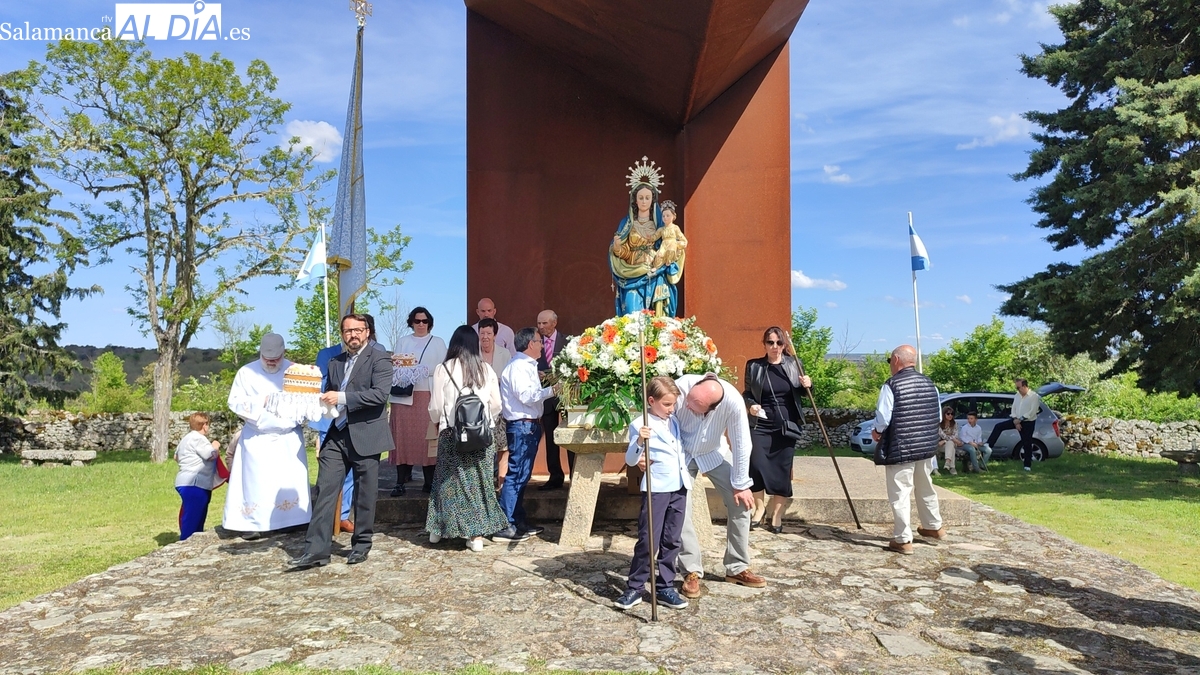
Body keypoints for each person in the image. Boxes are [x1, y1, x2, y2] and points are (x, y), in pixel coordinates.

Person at [290, 313, 394, 569]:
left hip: (366, 435)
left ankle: (361, 545)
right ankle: (316, 550)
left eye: (358, 330)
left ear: (367, 332)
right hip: (336, 434)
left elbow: (380, 395)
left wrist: (342, 397)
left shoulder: (380, 358)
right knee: (325, 490)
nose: (353, 335)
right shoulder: (335, 362)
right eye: (348, 331)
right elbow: (327, 396)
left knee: (364, 493)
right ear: (342, 335)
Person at [671, 373, 766, 599]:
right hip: (680, 455)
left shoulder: (732, 401)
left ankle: (737, 567)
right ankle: (691, 571)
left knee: (742, 502)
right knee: (680, 508)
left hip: (712, 454)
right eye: (689, 401)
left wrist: (741, 484)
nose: (687, 406)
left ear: (711, 409)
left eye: (695, 407)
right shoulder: (681, 387)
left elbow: (742, 442)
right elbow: (659, 421)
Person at [426, 326, 511, 552]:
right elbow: (496, 405)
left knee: (446, 482)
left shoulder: (443, 369)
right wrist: (483, 422)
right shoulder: (486, 369)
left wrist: (439, 421)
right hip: (481, 436)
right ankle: (476, 536)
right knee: (479, 483)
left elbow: (435, 407)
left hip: (451, 433)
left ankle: (438, 530)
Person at [614, 376, 692, 611]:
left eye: (673, 404)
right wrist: (640, 441)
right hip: (657, 488)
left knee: (672, 539)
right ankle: (635, 587)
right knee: (649, 540)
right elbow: (631, 459)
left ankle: (665, 586)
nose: (671, 409)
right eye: (666, 404)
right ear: (651, 401)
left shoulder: (673, 421)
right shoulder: (641, 424)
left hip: (679, 486)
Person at [224, 333, 310, 537]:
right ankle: (253, 524)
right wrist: (260, 402)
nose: (271, 362)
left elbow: (307, 399)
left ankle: (291, 519)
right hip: (258, 438)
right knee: (257, 482)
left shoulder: (296, 371)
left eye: (276, 358)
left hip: (287, 438)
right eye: (267, 358)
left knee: (287, 481)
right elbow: (235, 402)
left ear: (284, 352)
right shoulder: (246, 373)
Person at [870, 345, 945, 555]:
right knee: (926, 486)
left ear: (896, 359)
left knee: (900, 492)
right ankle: (933, 526)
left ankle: (903, 539)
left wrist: (877, 431)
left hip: (901, 446)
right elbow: (938, 416)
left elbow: (883, 417)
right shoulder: (930, 384)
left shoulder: (892, 385)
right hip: (926, 446)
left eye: (889, 361)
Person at [742, 327, 812, 534]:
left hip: (786, 425)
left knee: (782, 469)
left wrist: (808, 385)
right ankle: (759, 508)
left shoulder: (794, 364)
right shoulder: (754, 366)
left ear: (784, 345)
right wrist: (751, 405)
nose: (775, 347)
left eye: (779, 343)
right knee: (756, 465)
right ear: (764, 344)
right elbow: (747, 393)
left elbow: (804, 393)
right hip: (760, 423)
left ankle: (777, 514)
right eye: (770, 342)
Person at [495, 327, 560, 542]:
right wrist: (553, 390)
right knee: (516, 475)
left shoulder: (527, 365)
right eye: (539, 341)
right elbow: (526, 396)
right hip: (522, 425)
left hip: (529, 425)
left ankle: (517, 520)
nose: (542, 345)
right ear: (530, 344)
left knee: (523, 475)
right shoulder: (518, 367)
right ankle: (505, 524)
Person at [609, 158, 684, 317]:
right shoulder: (627, 225)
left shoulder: (660, 225)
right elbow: (625, 253)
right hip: (631, 274)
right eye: (641, 198)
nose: (644, 201)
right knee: (632, 314)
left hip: (654, 272)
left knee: (657, 317)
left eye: (647, 198)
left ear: (653, 200)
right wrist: (617, 248)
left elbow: (673, 242)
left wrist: (672, 250)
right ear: (635, 200)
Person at [388, 307, 447, 496]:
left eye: (424, 321)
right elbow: (396, 365)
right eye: (417, 321)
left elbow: (444, 368)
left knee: (427, 438)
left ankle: (429, 482)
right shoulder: (403, 341)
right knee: (402, 438)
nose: (421, 324)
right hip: (404, 396)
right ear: (411, 323)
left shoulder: (438, 342)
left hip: (427, 394)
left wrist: (423, 369)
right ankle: (400, 481)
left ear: (429, 323)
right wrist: (410, 369)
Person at [536, 309, 570, 490]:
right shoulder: (535, 344)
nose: (541, 326)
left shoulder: (568, 342)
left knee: (571, 435)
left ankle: (575, 474)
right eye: (539, 323)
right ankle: (555, 476)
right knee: (550, 437)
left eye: (544, 323)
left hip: (565, 396)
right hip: (546, 397)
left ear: (554, 323)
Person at [174, 412, 220, 541]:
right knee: (193, 520)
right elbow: (210, 455)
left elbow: (176, 457)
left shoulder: (186, 439)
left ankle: (192, 542)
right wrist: (215, 446)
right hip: (195, 483)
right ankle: (185, 545)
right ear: (204, 425)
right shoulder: (199, 439)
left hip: (184, 481)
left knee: (194, 516)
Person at [478, 317, 511, 482]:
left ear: (495, 335)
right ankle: (484, 483)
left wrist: (497, 381)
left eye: (489, 333)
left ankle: (501, 482)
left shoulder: (505, 354)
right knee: (483, 448)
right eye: (482, 333)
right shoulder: (472, 354)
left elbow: (509, 380)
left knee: (502, 447)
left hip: (499, 407)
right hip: (478, 409)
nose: (485, 337)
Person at [986, 378, 1041, 472]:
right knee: (999, 426)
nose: (1017, 389)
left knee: (1027, 442)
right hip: (1016, 420)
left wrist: (1020, 420)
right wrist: (1016, 420)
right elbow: (1014, 409)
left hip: (1028, 422)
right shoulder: (1017, 395)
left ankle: (1027, 465)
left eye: (1018, 387)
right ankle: (988, 446)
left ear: (1024, 386)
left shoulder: (1034, 396)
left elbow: (1032, 412)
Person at [651, 200, 688, 269]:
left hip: (672, 244)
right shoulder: (661, 229)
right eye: (663, 216)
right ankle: (656, 267)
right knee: (659, 255)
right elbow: (655, 236)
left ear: (673, 216)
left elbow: (683, 238)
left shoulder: (675, 228)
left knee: (671, 250)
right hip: (664, 245)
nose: (665, 218)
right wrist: (650, 238)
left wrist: (679, 244)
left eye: (668, 216)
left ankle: (669, 261)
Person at [937, 405, 964, 475]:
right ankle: (952, 468)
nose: (950, 415)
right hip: (941, 445)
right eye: (948, 414)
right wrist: (948, 439)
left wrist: (946, 440)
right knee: (952, 447)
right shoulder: (939, 425)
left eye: (952, 414)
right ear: (944, 414)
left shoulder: (955, 424)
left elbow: (955, 435)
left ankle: (948, 462)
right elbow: (942, 435)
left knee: (950, 443)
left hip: (949, 444)